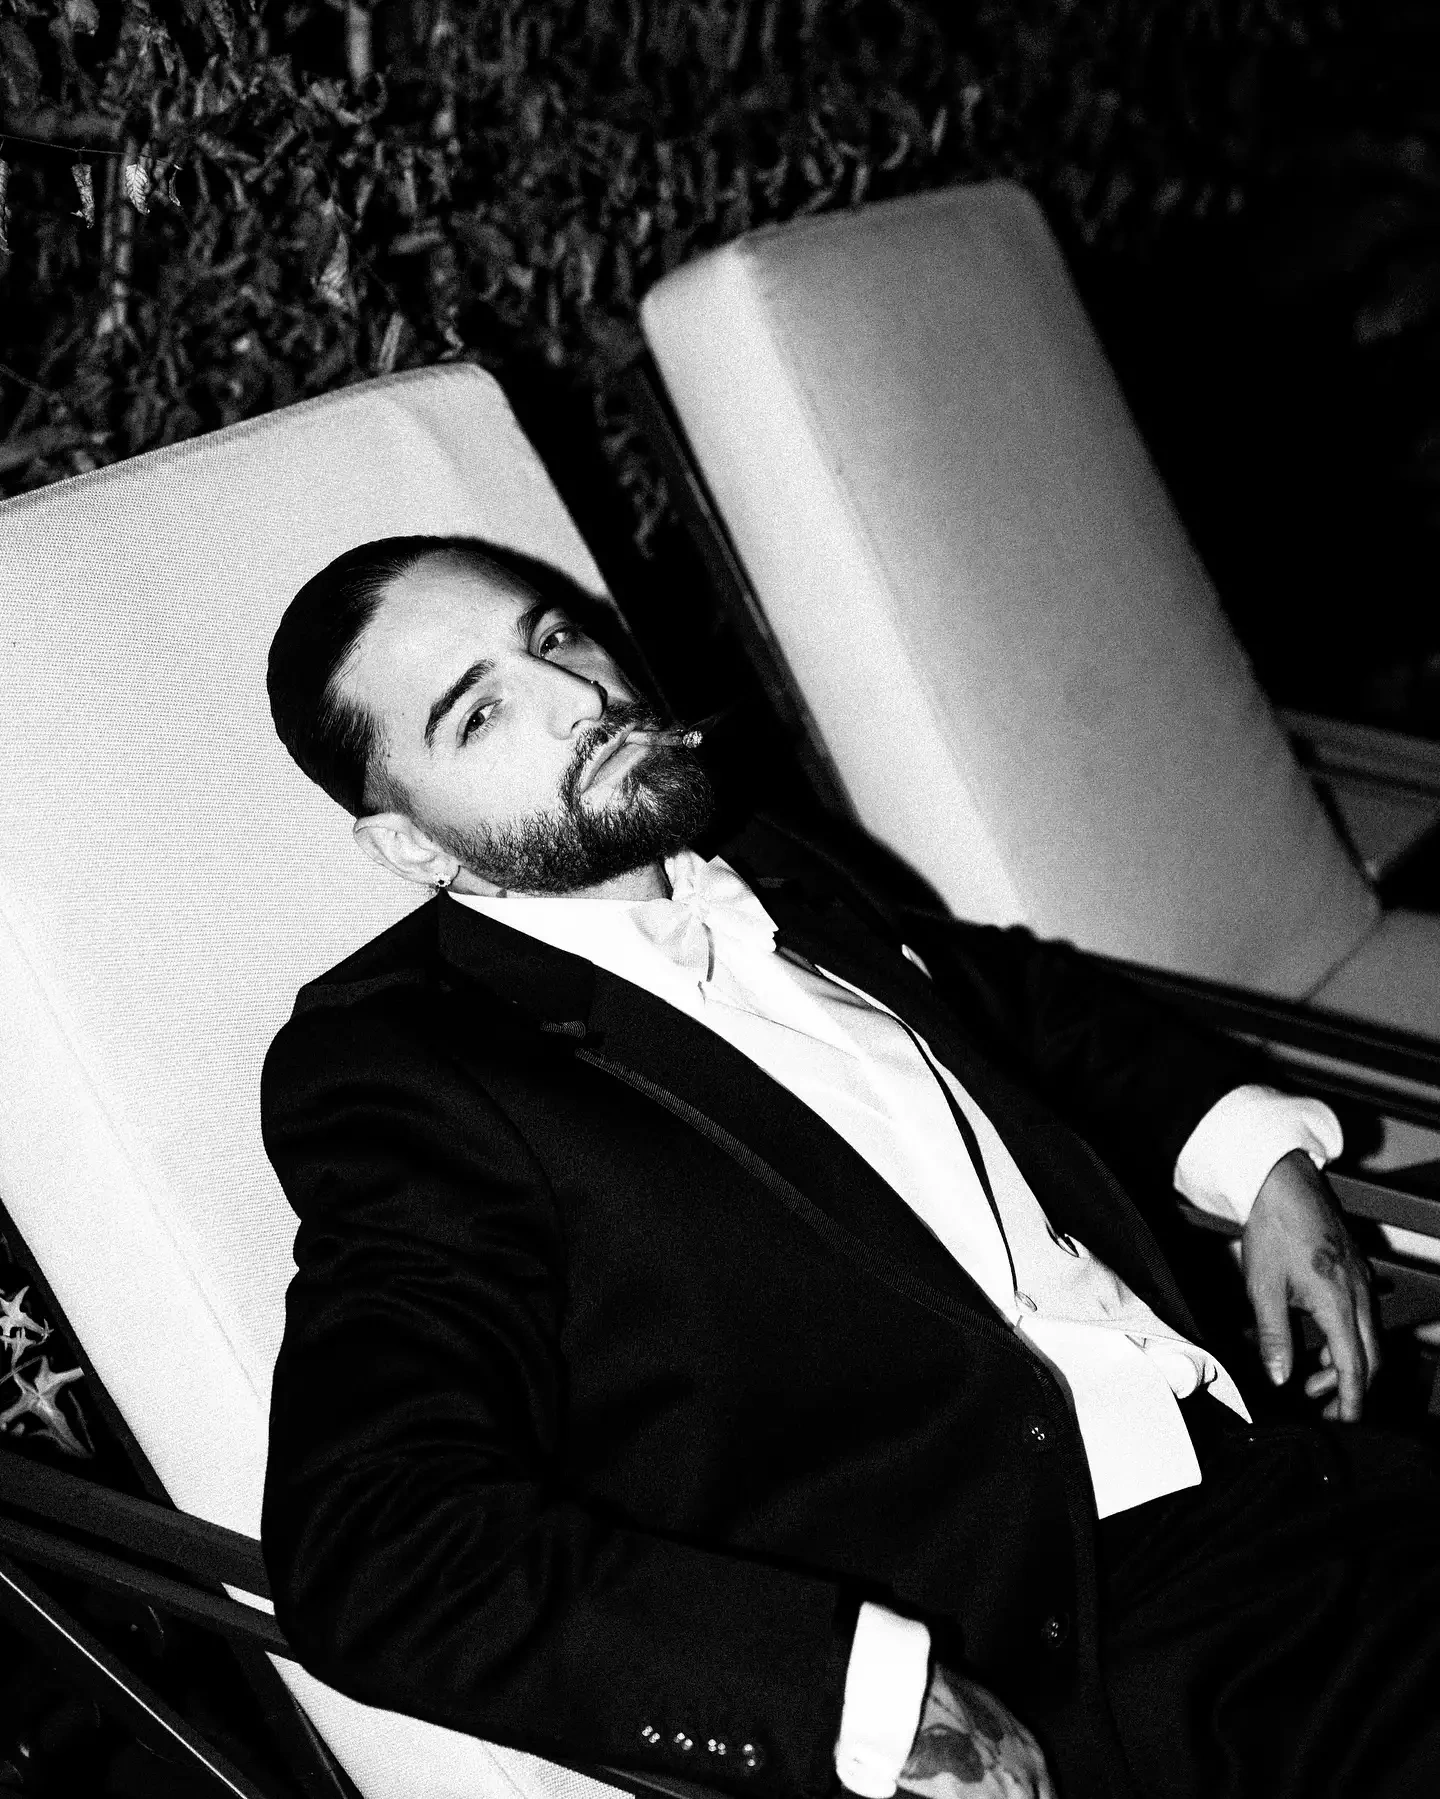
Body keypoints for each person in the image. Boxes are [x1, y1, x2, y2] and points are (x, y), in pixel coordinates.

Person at [260, 535, 1440, 1799]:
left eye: (553, 637)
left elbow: (1012, 994)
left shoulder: (752, 844)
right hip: (1091, 1648)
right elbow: (375, 1543)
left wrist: (1257, 1155)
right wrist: (855, 1697)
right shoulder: (409, 1070)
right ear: (412, 848)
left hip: (1298, 1482)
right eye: (481, 712)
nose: (577, 696)